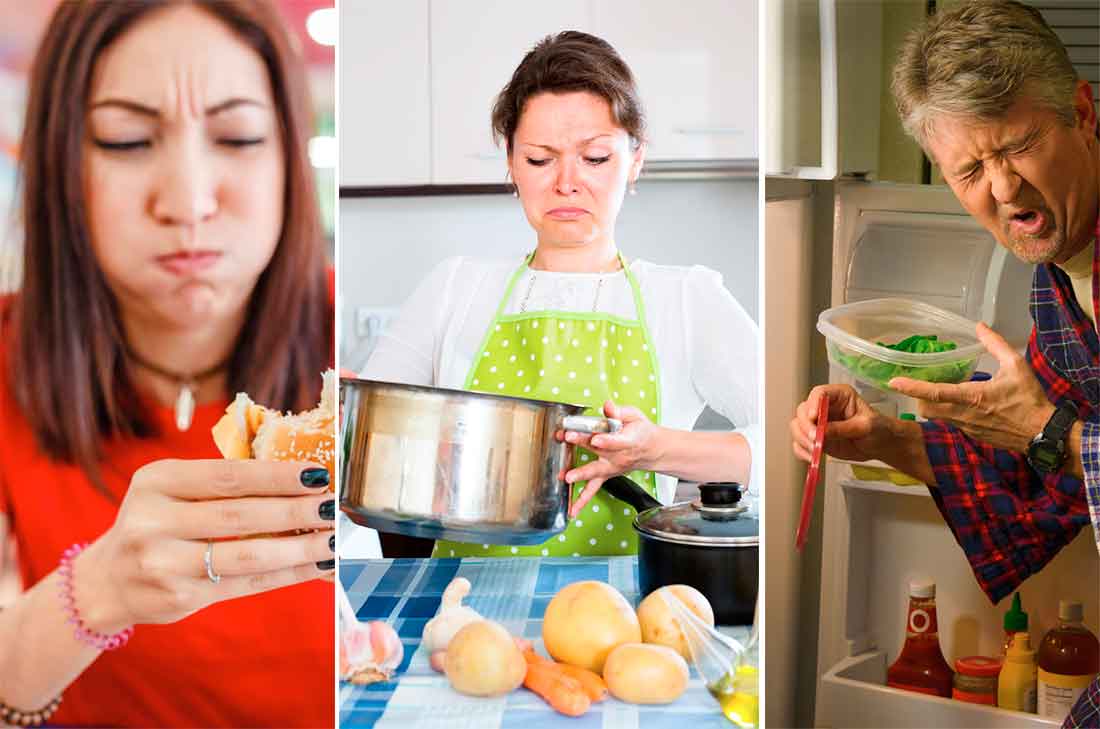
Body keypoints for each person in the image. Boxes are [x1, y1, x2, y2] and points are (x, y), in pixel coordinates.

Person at [0, 2, 335, 727]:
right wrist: (94, 593)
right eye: (125, 140)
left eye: (237, 135)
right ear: (61, 164)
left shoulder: (363, 333)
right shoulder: (7, 356)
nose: (188, 201)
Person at [790, 2, 1098, 724]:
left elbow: (1053, 441)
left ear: (1082, 111)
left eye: (1017, 146)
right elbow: (1045, 480)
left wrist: (1052, 431)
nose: (1001, 189)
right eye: (970, 169)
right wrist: (890, 439)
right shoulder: (1059, 276)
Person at [363, 31, 759, 559]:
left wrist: (657, 448)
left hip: (624, 619)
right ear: (510, 162)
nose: (567, 183)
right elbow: (371, 444)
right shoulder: (454, 287)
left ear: (635, 161)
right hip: (460, 615)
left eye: (594, 158)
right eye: (539, 159)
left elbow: (789, 441)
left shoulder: (687, 297)